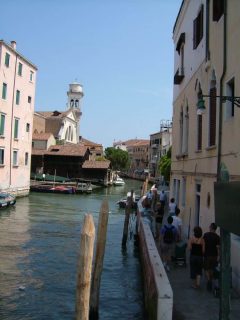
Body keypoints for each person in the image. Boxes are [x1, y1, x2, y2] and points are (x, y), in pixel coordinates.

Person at [203, 223, 220, 291]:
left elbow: (203, 244)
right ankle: (211, 279)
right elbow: (218, 248)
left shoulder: (206, 235)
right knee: (212, 268)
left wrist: (203, 252)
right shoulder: (217, 237)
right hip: (214, 255)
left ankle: (209, 280)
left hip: (207, 255)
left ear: (211, 228)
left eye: (209, 226)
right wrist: (218, 256)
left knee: (206, 269)